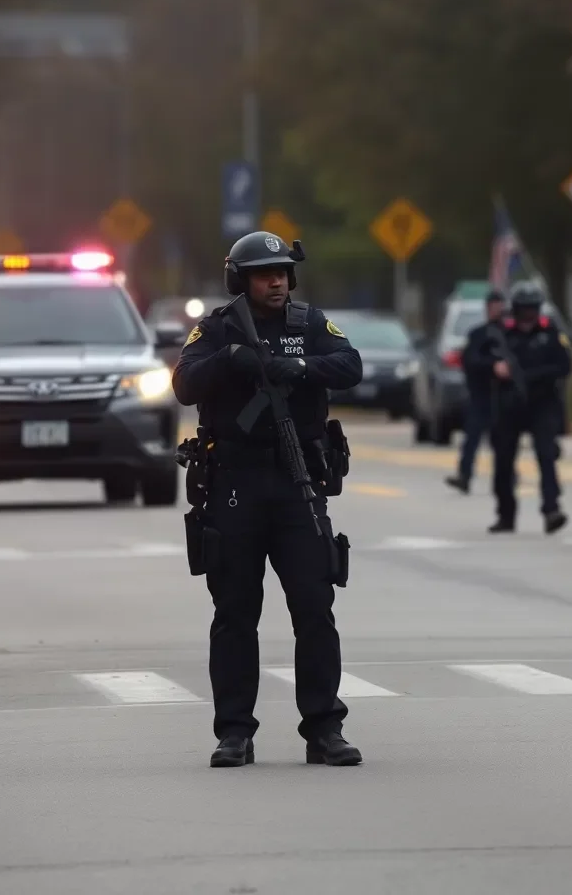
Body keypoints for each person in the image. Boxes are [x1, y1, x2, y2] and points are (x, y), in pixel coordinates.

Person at [172, 230, 364, 768]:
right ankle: (234, 733)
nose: (276, 280)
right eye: (263, 273)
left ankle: (324, 728)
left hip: (297, 481)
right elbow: (184, 384)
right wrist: (231, 359)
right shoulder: (216, 328)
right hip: (235, 484)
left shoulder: (310, 325)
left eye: (282, 272)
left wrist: (299, 368)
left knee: (314, 608)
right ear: (241, 279)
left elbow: (351, 366)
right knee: (235, 613)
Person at [488, 280, 571, 534]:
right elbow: (474, 359)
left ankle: (551, 509)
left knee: (546, 456)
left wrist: (532, 376)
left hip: (542, 403)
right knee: (503, 460)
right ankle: (506, 515)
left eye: (532, 309)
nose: (527, 316)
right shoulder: (501, 333)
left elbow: (564, 366)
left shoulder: (551, 332)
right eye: (523, 309)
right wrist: (495, 368)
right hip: (509, 405)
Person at [445, 288, 506, 494]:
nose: (496, 310)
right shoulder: (479, 334)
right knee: (471, 438)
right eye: (493, 306)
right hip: (481, 395)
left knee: (504, 441)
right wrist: (492, 366)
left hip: (503, 397)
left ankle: (508, 476)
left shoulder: (509, 334)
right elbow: (470, 361)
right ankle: (464, 476)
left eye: (499, 306)